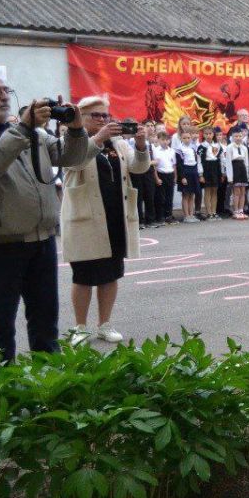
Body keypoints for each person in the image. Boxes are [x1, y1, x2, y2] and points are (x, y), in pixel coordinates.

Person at [0, 66, 92, 364]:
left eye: (6, 90)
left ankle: (48, 381)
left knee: (45, 321)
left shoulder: (30, 132)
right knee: (1, 322)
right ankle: (4, 384)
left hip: (42, 239)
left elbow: (71, 157)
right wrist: (24, 128)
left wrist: (75, 130)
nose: (4, 97)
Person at [61, 96, 149, 345]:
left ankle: (105, 324)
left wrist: (141, 145)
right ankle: (80, 327)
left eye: (105, 115)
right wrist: (98, 138)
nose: (102, 119)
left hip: (115, 216)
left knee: (111, 273)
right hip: (85, 219)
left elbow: (138, 168)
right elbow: (75, 162)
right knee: (83, 276)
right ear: (82, 117)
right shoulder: (71, 140)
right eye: (96, 115)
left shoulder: (118, 143)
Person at [171, 116, 202, 223]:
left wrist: (198, 173)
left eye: (189, 138)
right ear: (181, 139)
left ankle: (191, 214)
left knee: (192, 194)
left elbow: (196, 161)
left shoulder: (193, 148)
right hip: (185, 172)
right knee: (185, 194)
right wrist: (182, 177)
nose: (187, 139)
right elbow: (179, 165)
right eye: (184, 138)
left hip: (193, 172)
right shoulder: (179, 150)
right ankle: (186, 215)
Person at [130, 122, 159, 229]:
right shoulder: (131, 141)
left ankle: (150, 220)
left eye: (151, 126)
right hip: (137, 172)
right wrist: (148, 162)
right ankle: (139, 221)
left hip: (148, 172)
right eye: (147, 126)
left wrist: (155, 175)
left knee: (150, 196)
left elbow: (156, 161)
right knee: (138, 197)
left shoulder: (150, 144)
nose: (148, 129)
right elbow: (133, 158)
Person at [222, 128, 249, 220]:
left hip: (242, 168)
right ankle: (236, 211)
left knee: (243, 191)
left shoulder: (244, 148)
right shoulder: (229, 147)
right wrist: (230, 177)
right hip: (235, 168)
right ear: (232, 137)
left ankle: (241, 210)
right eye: (236, 136)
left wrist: (247, 175)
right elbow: (228, 163)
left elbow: (246, 162)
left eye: (240, 136)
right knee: (236, 192)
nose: (238, 138)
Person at [198, 126, 224, 220]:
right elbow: (199, 161)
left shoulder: (218, 146)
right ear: (203, 135)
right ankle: (208, 212)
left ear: (213, 134)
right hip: (206, 169)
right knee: (208, 191)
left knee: (214, 190)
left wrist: (222, 173)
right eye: (206, 134)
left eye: (210, 134)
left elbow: (222, 160)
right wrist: (201, 174)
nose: (208, 136)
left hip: (216, 169)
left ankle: (214, 212)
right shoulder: (201, 147)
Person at [152, 131, 176, 223]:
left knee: (170, 196)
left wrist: (175, 177)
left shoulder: (171, 151)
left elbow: (174, 165)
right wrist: (156, 178)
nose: (165, 142)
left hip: (170, 174)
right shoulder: (156, 150)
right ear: (158, 140)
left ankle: (168, 215)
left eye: (167, 140)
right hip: (161, 174)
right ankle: (160, 216)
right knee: (161, 197)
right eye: (162, 140)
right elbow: (154, 166)